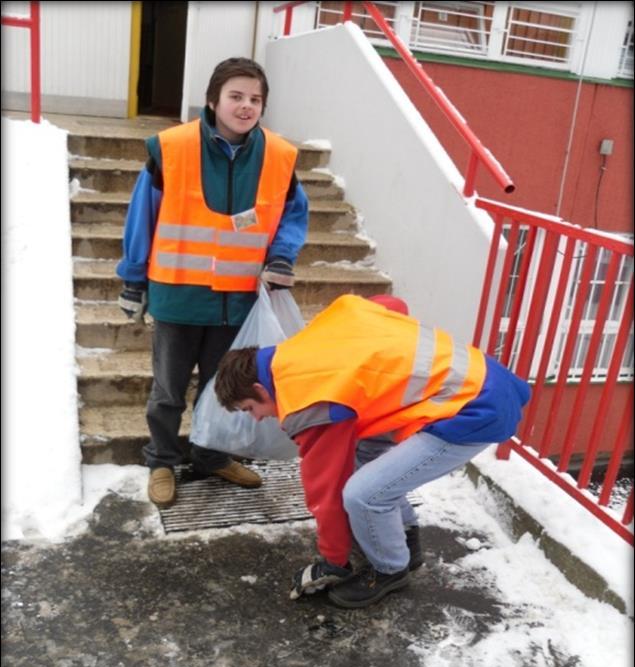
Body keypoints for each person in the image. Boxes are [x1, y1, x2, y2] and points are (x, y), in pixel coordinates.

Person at [213, 293, 531, 609]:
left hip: (474, 412)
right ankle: (406, 536)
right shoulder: (310, 341)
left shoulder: (307, 402)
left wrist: (333, 561)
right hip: (483, 377)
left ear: (258, 388)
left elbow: (325, 490)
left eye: (250, 408)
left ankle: (390, 570)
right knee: (366, 450)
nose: (257, 418)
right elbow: (390, 305)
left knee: (363, 494)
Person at [116, 57, 308, 508]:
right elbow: (142, 216)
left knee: (223, 389)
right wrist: (133, 279)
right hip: (178, 295)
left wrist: (282, 256)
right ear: (213, 100)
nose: (246, 106)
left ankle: (209, 457)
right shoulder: (172, 148)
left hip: (238, 300)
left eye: (255, 99)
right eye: (236, 96)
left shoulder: (279, 156)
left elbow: (293, 215)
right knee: (167, 390)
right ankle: (162, 460)